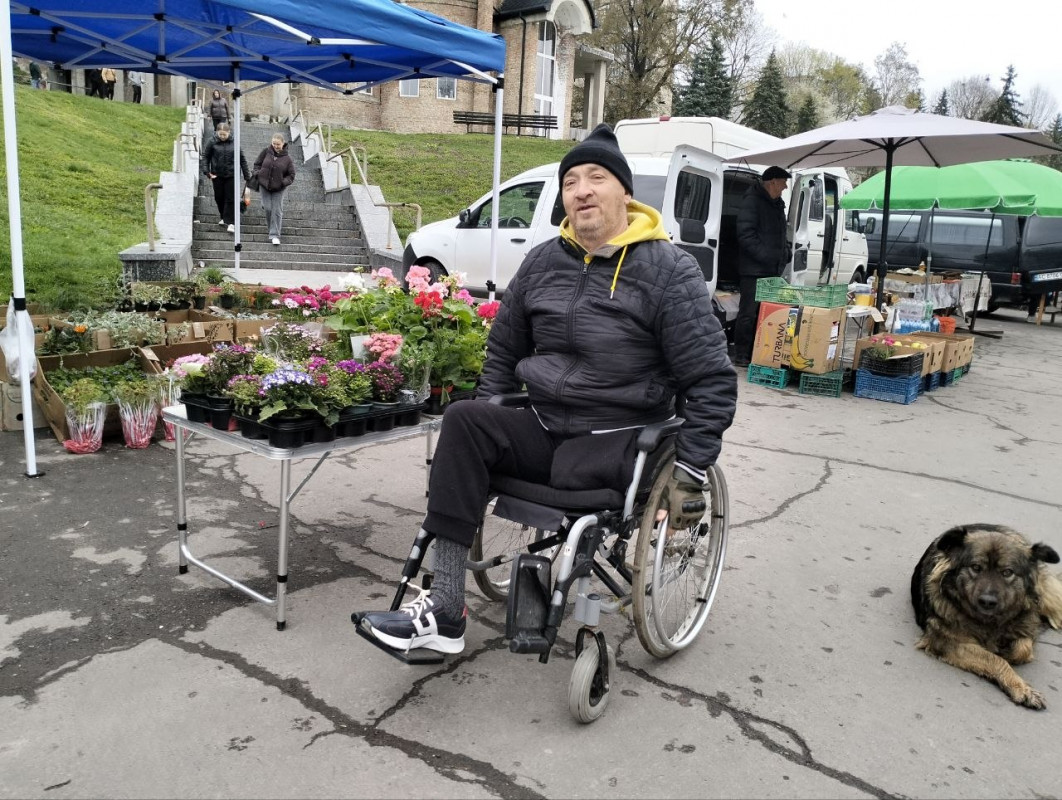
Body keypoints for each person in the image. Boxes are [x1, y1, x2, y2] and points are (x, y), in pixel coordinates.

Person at [355, 123, 738, 656]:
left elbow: (711, 379)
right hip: (543, 425)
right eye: (571, 180)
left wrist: (693, 469)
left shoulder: (668, 270)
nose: (581, 189)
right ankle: (444, 610)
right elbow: (504, 352)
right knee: (466, 419)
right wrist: (491, 407)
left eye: (596, 177)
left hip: (618, 439)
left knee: (570, 467)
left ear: (624, 192)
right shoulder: (542, 261)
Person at [733, 165, 791, 367]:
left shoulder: (777, 204)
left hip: (771, 269)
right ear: (772, 181)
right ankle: (741, 354)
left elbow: (781, 234)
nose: (785, 186)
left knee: (764, 314)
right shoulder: (753, 201)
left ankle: (757, 353)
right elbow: (745, 235)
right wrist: (766, 256)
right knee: (748, 313)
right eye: (783, 182)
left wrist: (785, 252)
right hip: (753, 269)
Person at [201, 122, 250, 233]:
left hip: (232, 175)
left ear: (229, 132)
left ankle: (231, 222)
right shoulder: (211, 141)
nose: (222, 136)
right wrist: (206, 171)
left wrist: (247, 176)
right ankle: (224, 217)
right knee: (219, 197)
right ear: (217, 132)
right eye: (220, 134)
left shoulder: (234, 142)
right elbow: (206, 157)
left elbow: (242, 159)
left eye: (225, 134)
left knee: (230, 198)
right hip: (216, 174)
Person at [253, 134, 296, 246]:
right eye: (274, 144)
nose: (276, 146)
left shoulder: (288, 159)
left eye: (278, 144)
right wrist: (258, 174)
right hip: (264, 185)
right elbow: (257, 164)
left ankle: (274, 235)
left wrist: (283, 182)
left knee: (276, 210)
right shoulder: (265, 152)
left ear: (283, 143)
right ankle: (271, 229)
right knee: (267, 208)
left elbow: (291, 175)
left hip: (279, 188)